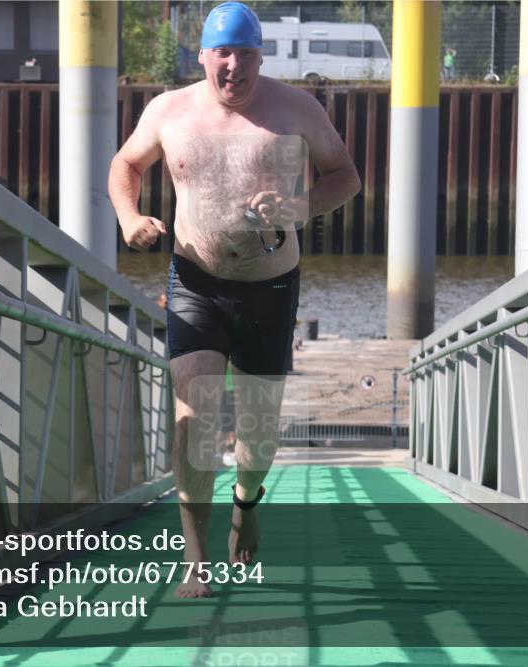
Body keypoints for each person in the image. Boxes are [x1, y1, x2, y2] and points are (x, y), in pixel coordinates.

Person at [108, 1, 359, 598]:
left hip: (271, 288)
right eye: (223, 54)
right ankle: (196, 561)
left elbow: (344, 176)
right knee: (192, 421)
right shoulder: (169, 110)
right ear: (202, 56)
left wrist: (300, 208)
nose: (234, 68)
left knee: (257, 437)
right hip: (196, 283)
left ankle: (247, 501)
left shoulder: (296, 109)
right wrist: (128, 216)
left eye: (245, 55)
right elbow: (126, 163)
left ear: (259, 57)